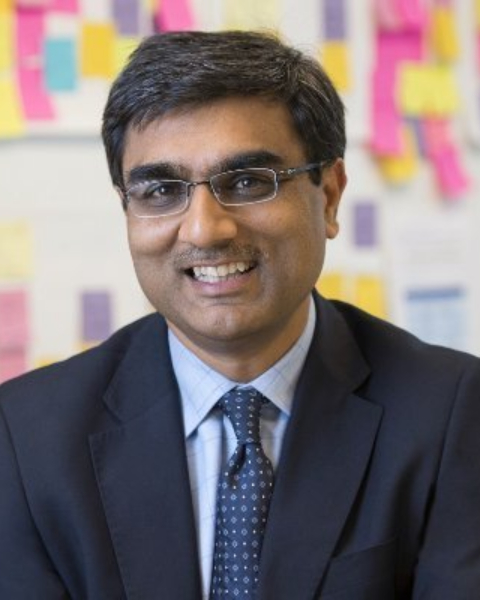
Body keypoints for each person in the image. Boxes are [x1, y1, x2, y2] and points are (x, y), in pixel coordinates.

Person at [1, 30, 480, 600]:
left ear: (329, 195)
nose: (205, 230)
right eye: (161, 191)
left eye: (249, 182)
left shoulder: (450, 413)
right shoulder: (27, 437)